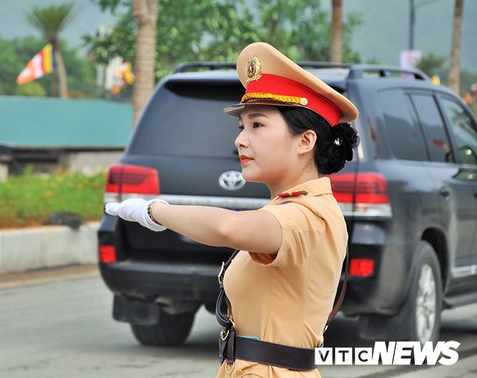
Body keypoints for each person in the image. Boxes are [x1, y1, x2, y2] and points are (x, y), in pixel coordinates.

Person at [105, 42, 360, 377]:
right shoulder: (292, 206)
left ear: (305, 141)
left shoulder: (307, 215)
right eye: (242, 127)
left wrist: (156, 211)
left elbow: (229, 229)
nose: (240, 139)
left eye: (258, 125)